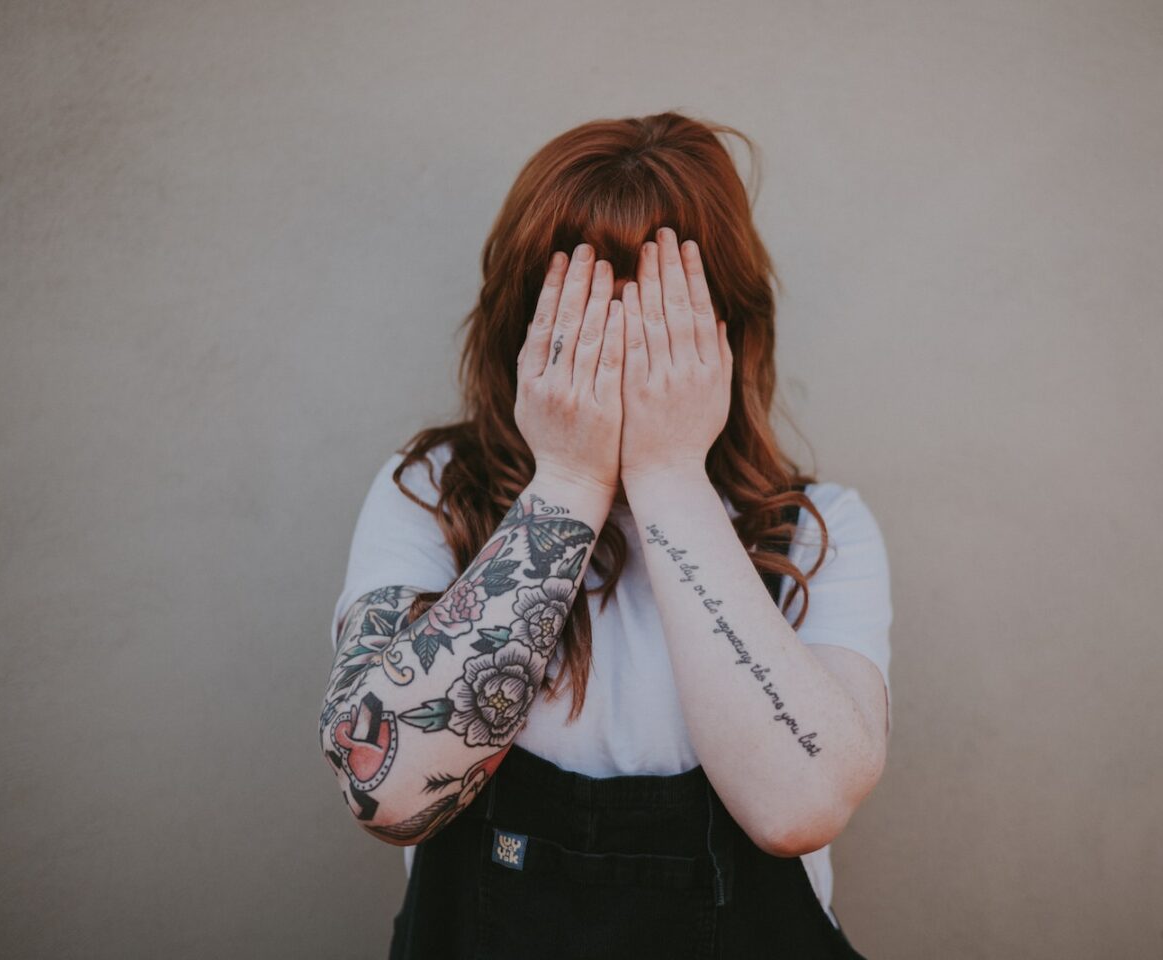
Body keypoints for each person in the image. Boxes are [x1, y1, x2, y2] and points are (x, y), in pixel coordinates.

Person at [320, 111, 893, 959]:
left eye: (655, 319)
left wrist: (667, 475)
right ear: (520, 322)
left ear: (724, 331)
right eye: (581, 315)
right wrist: (570, 483)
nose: (613, 350)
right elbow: (387, 794)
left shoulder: (817, 533)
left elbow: (799, 807)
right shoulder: (432, 493)